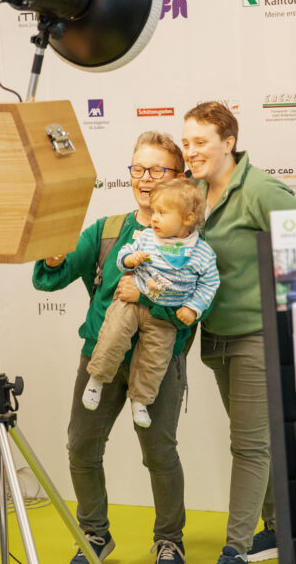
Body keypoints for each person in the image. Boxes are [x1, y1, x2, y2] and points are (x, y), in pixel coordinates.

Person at [32, 132, 198, 564]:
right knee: (82, 448)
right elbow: (50, 278)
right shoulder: (106, 231)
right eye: (138, 169)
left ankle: (169, 539)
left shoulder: (190, 241)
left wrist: (147, 297)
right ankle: (94, 534)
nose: (145, 179)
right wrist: (53, 259)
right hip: (100, 360)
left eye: (158, 170)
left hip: (157, 363)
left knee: (159, 453)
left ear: (178, 176)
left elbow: (193, 308)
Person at [181, 101, 296, 564]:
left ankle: (235, 554)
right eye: (186, 143)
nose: (190, 151)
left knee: (250, 446)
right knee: (259, 439)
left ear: (228, 142)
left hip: (258, 335)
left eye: (200, 142)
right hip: (215, 336)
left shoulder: (258, 190)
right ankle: (276, 527)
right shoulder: (193, 192)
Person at [83, 179, 219, 428]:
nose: (154, 218)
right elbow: (123, 255)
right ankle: (97, 379)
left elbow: (209, 284)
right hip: (130, 305)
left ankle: (140, 401)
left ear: (188, 218)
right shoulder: (147, 237)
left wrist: (193, 307)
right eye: (154, 212)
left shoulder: (202, 253)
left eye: (162, 213)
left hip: (164, 317)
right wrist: (129, 259)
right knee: (113, 335)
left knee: (155, 358)